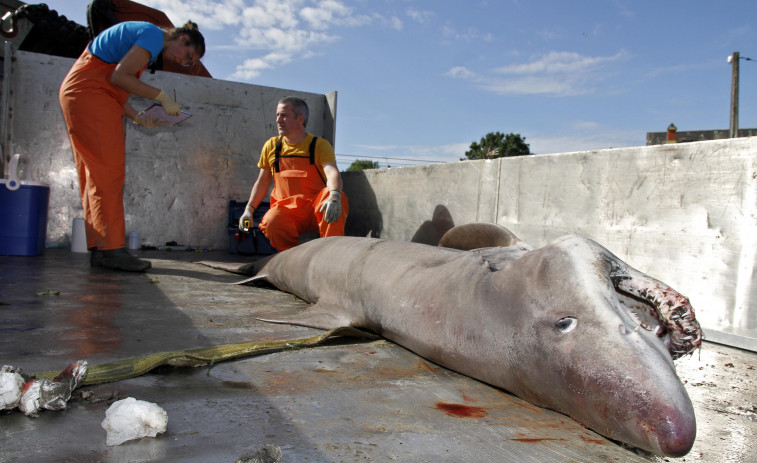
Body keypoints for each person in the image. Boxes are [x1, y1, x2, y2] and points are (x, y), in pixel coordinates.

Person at [59, 20, 205, 271]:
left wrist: (138, 117)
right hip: (90, 93)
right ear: (182, 39)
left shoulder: (145, 41)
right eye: (189, 56)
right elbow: (119, 76)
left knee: (95, 175)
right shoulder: (152, 36)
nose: (185, 62)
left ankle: (100, 248)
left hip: (85, 92)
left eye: (190, 61)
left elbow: (117, 86)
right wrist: (161, 96)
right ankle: (111, 250)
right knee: (108, 173)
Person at [239, 96, 348, 251]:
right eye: (277, 115)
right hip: (286, 211)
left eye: (284, 115)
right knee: (271, 221)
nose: (278, 120)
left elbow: (332, 172)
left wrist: (335, 195)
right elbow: (262, 181)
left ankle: (331, 254)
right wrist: (248, 210)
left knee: (336, 198)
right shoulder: (271, 146)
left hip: (315, 209)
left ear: (300, 119)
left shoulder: (319, 146)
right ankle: (290, 259)